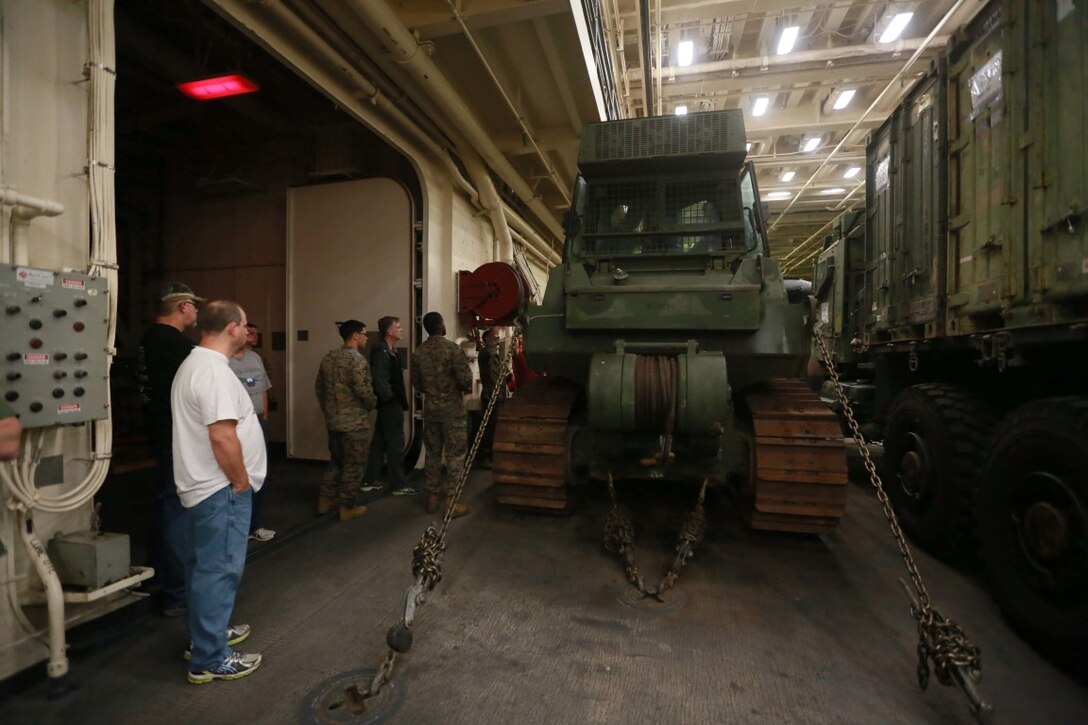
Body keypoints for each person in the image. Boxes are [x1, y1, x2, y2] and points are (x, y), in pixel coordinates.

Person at [172, 300, 265, 684]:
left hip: (205, 489)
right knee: (219, 572)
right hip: (220, 490)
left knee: (204, 570)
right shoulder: (212, 372)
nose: (247, 330)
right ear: (231, 328)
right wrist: (241, 482)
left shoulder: (199, 364)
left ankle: (205, 636)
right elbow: (222, 435)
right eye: (244, 325)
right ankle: (210, 658)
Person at [137, 281, 201, 617]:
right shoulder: (178, 346)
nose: (196, 312)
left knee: (165, 503)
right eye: (193, 305)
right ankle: (177, 591)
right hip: (179, 436)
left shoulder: (148, 340)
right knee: (180, 508)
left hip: (159, 431)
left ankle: (157, 572)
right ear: (181, 306)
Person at [411, 312, 472, 517]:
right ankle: (452, 502)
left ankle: (432, 497)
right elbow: (465, 380)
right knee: (455, 455)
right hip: (453, 411)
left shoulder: (418, 353)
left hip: (431, 410)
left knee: (432, 453)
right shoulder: (453, 350)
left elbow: (417, 384)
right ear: (441, 325)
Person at [314, 320, 375, 521]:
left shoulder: (329, 358)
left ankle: (325, 499)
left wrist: (329, 410)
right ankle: (347, 506)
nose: (366, 337)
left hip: (334, 421)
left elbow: (320, 388)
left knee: (336, 461)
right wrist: (371, 403)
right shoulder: (357, 360)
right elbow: (363, 390)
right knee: (355, 464)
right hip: (354, 423)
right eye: (364, 334)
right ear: (355, 335)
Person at [229, 322, 275, 542]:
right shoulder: (223, 361)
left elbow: (263, 390)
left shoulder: (255, 358)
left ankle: (254, 526)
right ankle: (237, 528)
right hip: (237, 426)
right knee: (236, 476)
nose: (254, 335)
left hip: (258, 423)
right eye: (249, 330)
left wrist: (264, 418)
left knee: (259, 475)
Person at [365, 316, 417, 496]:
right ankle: (398, 484)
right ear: (389, 331)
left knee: (379, 442)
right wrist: (390, 399)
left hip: (391, 402)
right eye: (398, 327)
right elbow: (379, 378)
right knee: (395, 443)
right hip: (390, 404)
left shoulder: (391, 350)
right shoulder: (382, 350)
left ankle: (368, 479)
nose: (401, 329)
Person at [477, 327, 508, 469]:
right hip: (490, 395)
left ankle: (492, 456)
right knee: (489, 428)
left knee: (496, 428)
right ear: (488, 340)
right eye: (495, 337)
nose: (498, 339)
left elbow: (496, 374)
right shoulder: (486, 353)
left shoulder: (495, 354)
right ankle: (484, 456)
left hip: (498, 396)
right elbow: (489, 369)